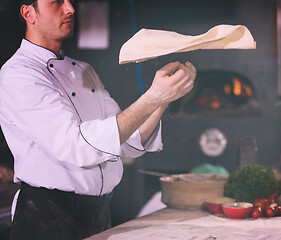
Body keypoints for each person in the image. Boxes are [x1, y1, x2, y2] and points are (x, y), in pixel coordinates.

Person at [0, 0, 196, 239]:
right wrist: (152, 96)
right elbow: (77, 146)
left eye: (70, 1)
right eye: (57, 2)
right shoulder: (19, 74)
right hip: (47, 218)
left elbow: (128, 141)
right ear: (28, 13)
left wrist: (163, 99)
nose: (71, 8)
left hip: (99, 215)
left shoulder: (84, 70)